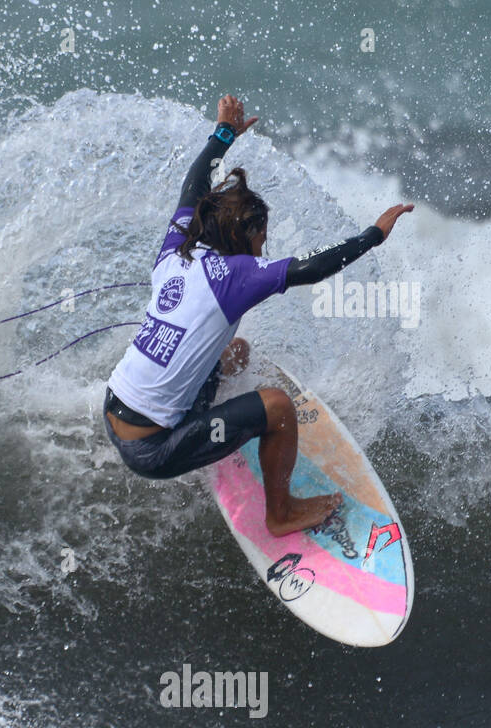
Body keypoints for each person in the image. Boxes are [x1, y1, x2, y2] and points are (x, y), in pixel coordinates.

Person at [103, 94, 413, 535]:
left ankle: (219, 427)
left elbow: (192, 186)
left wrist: (222, 136)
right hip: (150, 450)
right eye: (261, 238)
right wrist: (373, 235)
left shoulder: (177, 248)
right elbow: (313, 267)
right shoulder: (237, 275)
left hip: (114, 406)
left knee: (236, 353)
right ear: (241, 237)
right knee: (278, 407)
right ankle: (281, 512)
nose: (263, 248)